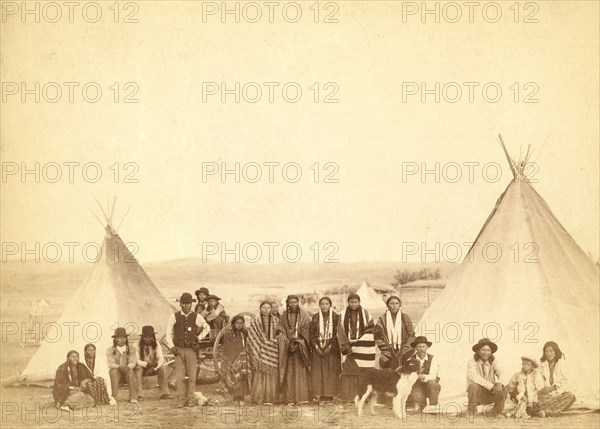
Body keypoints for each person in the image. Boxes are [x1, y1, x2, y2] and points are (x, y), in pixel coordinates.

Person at [166, 292, 210, 408]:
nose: (186, 306)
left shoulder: (197, 316)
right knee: (180, 376)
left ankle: (190, 399)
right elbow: (168, 333)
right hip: (179, 349)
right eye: (184, 303)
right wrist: (171, 346)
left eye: (188, 304)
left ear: (191, 304)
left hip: (191, 349)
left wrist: (198, 338)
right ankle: (180, 400)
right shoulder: (174, 316)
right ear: (180, 304)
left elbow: (207, 327)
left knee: (191, 376)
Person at [278, 295, 312, 404]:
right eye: (291, 302)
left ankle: (302, 397)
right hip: (288, 348)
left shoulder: (304, 315)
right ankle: (290, 398)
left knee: (301, 372)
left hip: (300, 348)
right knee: (289, 372)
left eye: (295, 302)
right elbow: (280, 329)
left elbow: (307, 330)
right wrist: (287, 342)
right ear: (288, 303)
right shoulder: (284, 316)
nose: (293, 304)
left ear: (298, 302)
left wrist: (299, 342)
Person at [247, 301, 280, 405]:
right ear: (260, 309)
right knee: (258, 373)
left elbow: (279, 335)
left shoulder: (276, 321)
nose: (266, 310)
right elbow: (252, 336)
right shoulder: (255, 321)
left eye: (268, 308)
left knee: (270, 374)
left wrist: (271, 343)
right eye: (264, 307)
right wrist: (262, 345)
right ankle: (258, 398)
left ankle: (270, 399)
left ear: (271, 309)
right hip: (258, 351)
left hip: (272, 351)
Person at [309, 296, 341, 402]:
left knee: (331, 371)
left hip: (332, 348)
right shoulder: (315, 317)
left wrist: (330, 347)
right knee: (318, 371)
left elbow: (337, 334)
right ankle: (319, 394)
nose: (324, 306)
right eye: (322, 304)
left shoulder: (336, 317)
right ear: (319, 305)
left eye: (326, 304)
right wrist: (316, 347)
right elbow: (311, 334)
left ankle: (330, 394)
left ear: (330, 305)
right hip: (317, 348)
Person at [467, 338, 506, 417]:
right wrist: (491, 386)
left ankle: (497, 412)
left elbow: (501, 372)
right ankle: (471, 412)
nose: (486, 353)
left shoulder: (493, 360)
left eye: (488, 350)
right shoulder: (472, 360)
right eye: (483, 350)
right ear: (478, 351)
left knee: (504, 387)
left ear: (491, 351)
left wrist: (500, 383)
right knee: (472, 386)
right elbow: (473, 376)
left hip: (491, 393)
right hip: (478, 395)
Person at [374, 296, 416, 370]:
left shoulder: (405, 317)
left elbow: (411, 335)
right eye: (391, 303)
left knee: (404, 373)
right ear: (387, 305)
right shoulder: (382, 318)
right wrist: (385, 349)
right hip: (387, 349)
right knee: (387, 375)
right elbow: (377, 336)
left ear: (399, 305)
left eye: (396, 303)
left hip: (403, 349)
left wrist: (406, 348)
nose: (394, 306)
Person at [337, 293, 376, 371]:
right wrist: (345, 345)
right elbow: (339, 330)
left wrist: (359, 342)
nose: (354, 304)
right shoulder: (342, 314)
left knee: (364, 368)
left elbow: (371, 329)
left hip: (362, 346)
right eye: (351, 302)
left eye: (356, 302)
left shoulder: (366, 314)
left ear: (359, 302)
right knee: (349, 368)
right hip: (348, 345)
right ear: (348, 303)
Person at [134, 325, 173, 401]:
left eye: (150, 337)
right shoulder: (137, 344)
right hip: (142, 366)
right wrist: (147, 365)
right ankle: (139, 395)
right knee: (138, 369)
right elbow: (137, 360)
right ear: (142, 337)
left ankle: (164, 393)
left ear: (153, 337)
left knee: (162, 368)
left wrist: (154, 368)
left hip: (153, 367)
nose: (148, 339)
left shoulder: (157, 344)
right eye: (146, 337)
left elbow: (161, 359)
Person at [537, 341, 576, 415]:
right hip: (546, 395)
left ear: (556, 351)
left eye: (551, 351)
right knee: (539, 398)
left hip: (559, 393)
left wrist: (553, 388)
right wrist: (542, 389)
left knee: (570, 396)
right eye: (546, 351)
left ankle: (546, 412)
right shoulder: (541, 364)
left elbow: (565, 381)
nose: (549, 354)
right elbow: (538, 380)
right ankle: (548, 409)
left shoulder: (562, 363)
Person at [219, 315, 251, 403]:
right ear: (233, 324)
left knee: (242, 378)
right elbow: (227, 347)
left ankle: (241, 397)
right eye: (237, 323)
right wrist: (233, 360)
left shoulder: (244, 333)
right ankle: (235, 397)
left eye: (241, 323)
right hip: (231, 358)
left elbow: (247, 344)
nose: (239, 325)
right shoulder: (228, 333)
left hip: (242, 358)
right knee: (233, 376)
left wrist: (242, 358)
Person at [407, 336, 440, 412]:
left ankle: (433, 406)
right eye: (419, 347)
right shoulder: (410, 360)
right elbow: (408, 376)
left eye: (423, 347)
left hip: (430, 386)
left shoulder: (433, 358)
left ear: (427, 347)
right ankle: (420, 403)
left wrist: (420, 376)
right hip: (416, 386)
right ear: (415, 348)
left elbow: (433, 376)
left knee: (433, 383)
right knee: (418, 400)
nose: (421, 349)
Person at [106, 327, 138, 404]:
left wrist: (128, 367)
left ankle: (133, 397)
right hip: (117, 371)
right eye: (119, 337)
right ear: (115, 339)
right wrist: (118, 367)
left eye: (123, 337)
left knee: (130, 372)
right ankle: (114, 397)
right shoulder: (110, 350)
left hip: (127, 370)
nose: (121, 340)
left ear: (126, 338)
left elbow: (133, 361)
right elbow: (110, 363)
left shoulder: (131, 349)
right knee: (113, 372)